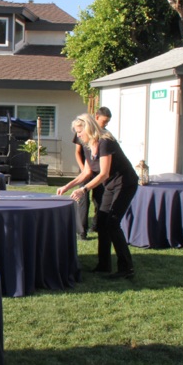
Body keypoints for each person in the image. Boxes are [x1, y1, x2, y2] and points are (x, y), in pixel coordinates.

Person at [58, 113, 138, 279]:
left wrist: (83, 190)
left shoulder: (105, 142)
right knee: (102, 222)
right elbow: (87, 172)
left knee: (113, 223)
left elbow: (103, 173)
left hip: (125, 184)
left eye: (79, 132)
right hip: (110, 185)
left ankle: (126, 268)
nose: (78, 135)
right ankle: (104, 265)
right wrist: (67, 186)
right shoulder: (88, 145)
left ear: (88, 128)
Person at [72, 107, 111, 239]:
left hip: (99, 172)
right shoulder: (82, 132)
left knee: (99, 199)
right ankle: (82, 231)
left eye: (107, 122)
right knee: (83, 201)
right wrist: (83, 169)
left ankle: (96, 225)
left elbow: (104, 170)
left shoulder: (104, 137)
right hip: (86, 170)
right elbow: (78, 152)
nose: (105, 124)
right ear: (96, 117)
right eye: (103, 121)